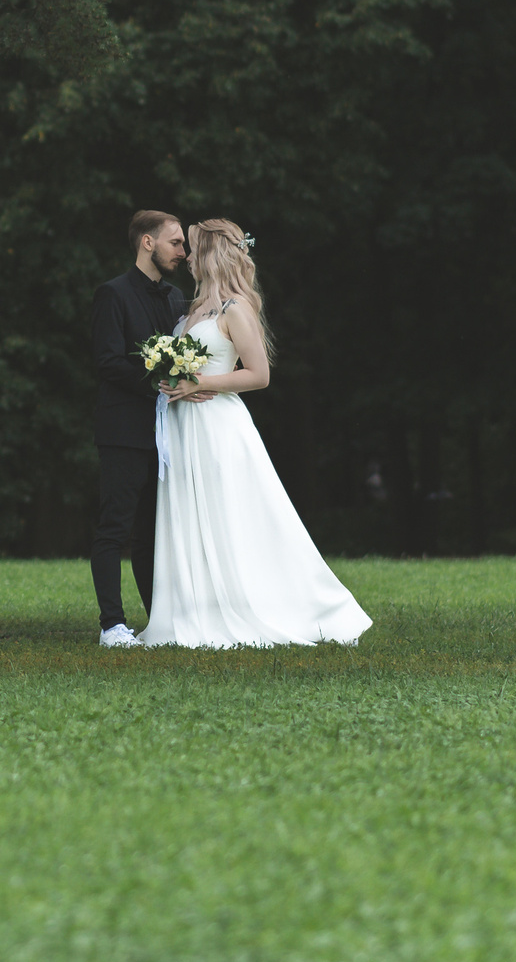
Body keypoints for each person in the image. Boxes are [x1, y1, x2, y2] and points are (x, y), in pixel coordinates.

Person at [140, 218, 371, 649]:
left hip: (218, 427)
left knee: (231, 516)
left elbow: (259, 375)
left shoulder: (234, 308)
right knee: (191, 514)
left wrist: (200, 383)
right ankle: (193, 611)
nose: (186, 257)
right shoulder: (192, 311)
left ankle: (279, 605)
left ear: (209, 254)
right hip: (184, 428)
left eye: (192, 248)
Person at [86, 210, 189, 646]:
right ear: (147, 243)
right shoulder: (112, 294)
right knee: (116, 526)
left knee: (153, 530)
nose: (183, 252)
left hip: (171, 431)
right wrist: (157, 382)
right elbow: (106, 362)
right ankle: (112, 625)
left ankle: (156, 623)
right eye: (176, 243)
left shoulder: (177, 296)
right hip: (124, 429)